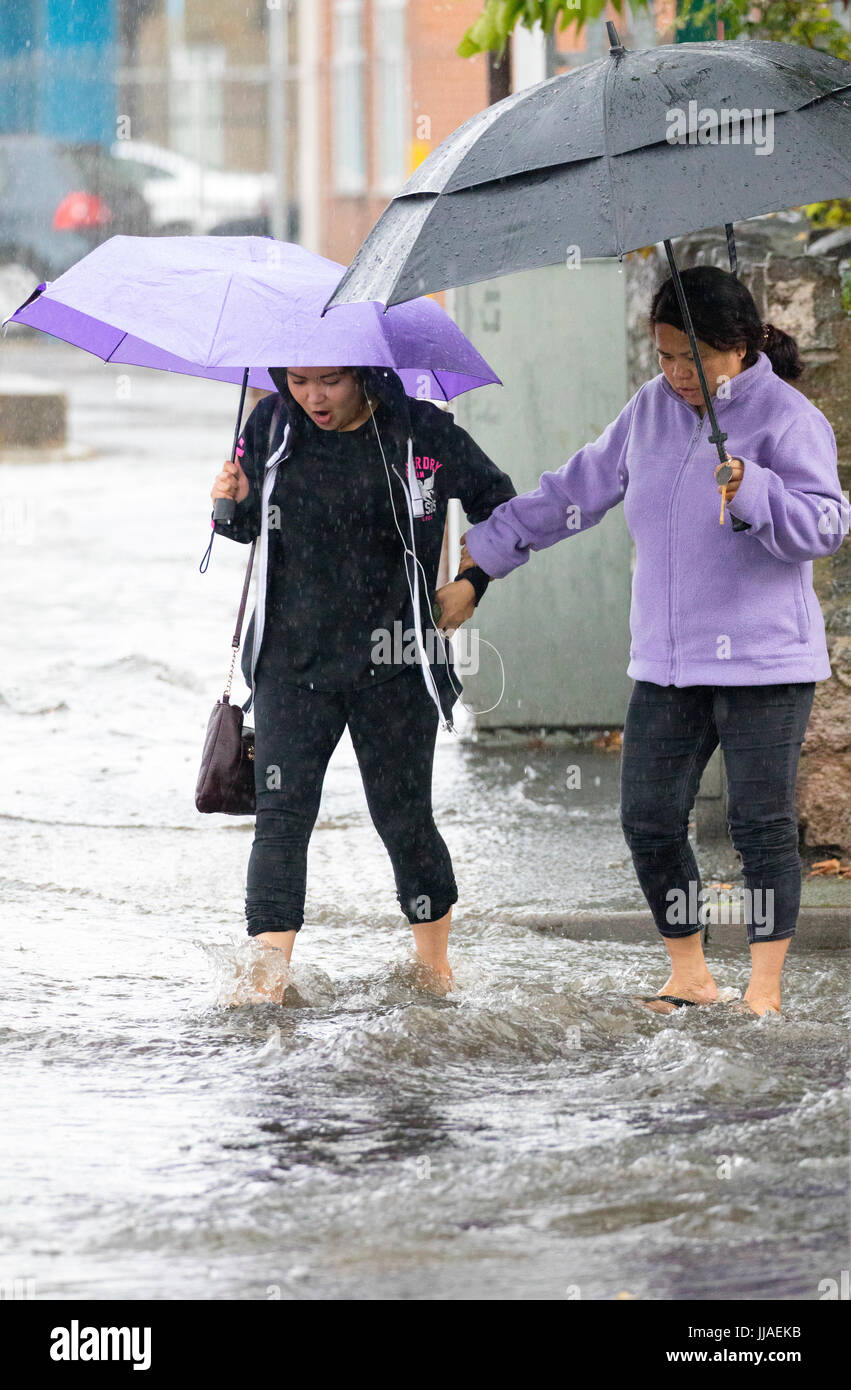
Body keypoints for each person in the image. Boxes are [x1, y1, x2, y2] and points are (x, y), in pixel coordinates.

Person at [461, 266, 849, 1017]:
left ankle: (763, 992)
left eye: (691, 357)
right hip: (669, 665)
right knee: (646, 818)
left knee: (759, 826)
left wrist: (758, 489)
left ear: (736, 347)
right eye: (664, 355)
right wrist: (486, 553)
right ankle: (691, 975)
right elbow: (573, 491)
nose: (675, 374)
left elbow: (827, 525)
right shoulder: (648, 410)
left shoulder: (787, 416)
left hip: (765, 662)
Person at [210, 363, 515, 997]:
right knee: (281, 819)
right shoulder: (270, 425)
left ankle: (434, 971)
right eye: (298, 380)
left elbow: (503, 505)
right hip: (291, 665)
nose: (312, 396)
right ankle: (267, 981)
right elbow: (243, 530)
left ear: (366, 375)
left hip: (397, 661)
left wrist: (472, 584)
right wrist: (227, 502)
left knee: (403, 819)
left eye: (330, 381)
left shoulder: (421, 434)